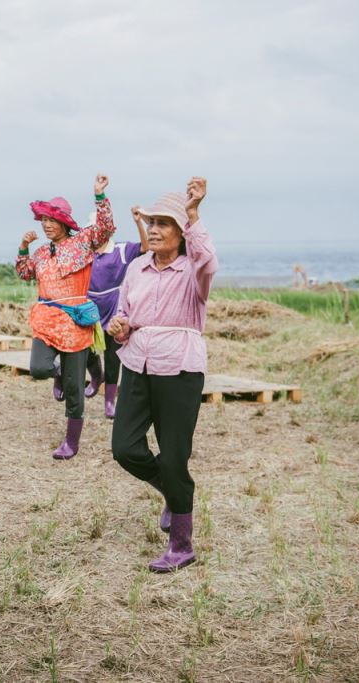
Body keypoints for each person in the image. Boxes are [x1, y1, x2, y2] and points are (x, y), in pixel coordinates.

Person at [109, 177, 216, 573]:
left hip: (180, 369)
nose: (153, 229)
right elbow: (124, 313)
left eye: (163, 223)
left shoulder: (194, 272)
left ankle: (182, 545)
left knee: (174, 456)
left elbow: (210, 260)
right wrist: (120, 326)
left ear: (181, 233)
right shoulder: (137, 268)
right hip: (137, 364)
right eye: (151, 222)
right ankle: (171, 491)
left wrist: (193, 213)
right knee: (125, 448)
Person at [17, 175, 116, 459]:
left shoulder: (84, 242)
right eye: (43, 220)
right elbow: (25, 273)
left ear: (64, 223)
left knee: (75, 389)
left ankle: (71, 442)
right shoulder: (39, 253)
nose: (46, 225)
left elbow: (106, 228)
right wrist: (23, 247)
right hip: (47, 319)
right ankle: (59, 372)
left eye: (51, 220)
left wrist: (99, 196)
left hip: (75, 322)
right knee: (38, 367)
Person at [83, 206, 149, 418]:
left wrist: (139, 222)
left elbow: (146, 248)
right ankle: (95, 376)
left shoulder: (121, 249)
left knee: (113, 356)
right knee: (87, 350)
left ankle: (110, 401)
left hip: (113, 305)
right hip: (90, 305)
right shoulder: (85, 253)